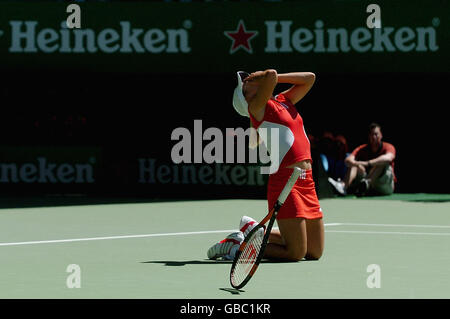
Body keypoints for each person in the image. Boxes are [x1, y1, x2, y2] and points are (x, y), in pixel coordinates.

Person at [207, 69, 324, 262]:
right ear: (248, 97)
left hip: (306, 181)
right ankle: (237, 249)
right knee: (296, 253)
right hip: (286, 183)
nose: (250, 78)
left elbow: (310, 78)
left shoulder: (283, 100)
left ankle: (255, 231)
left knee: (314, 251)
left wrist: (276, 79)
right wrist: (264, 76)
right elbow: (271, 74)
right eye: (246, 82)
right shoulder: (257, 107)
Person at [328, 123, 396, 196]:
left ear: (381, 135)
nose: (374, 137)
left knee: (382, 163)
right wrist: (358, 164)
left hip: (384, 185)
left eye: (376, 134)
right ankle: (343, 186)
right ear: (369, 136)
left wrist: (368, 163)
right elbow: (348, 160)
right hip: (369, 186)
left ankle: (367, 182)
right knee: (354, 164)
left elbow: (388, 158)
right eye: (371, 134)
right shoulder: (362, 148)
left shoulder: (389, 147)